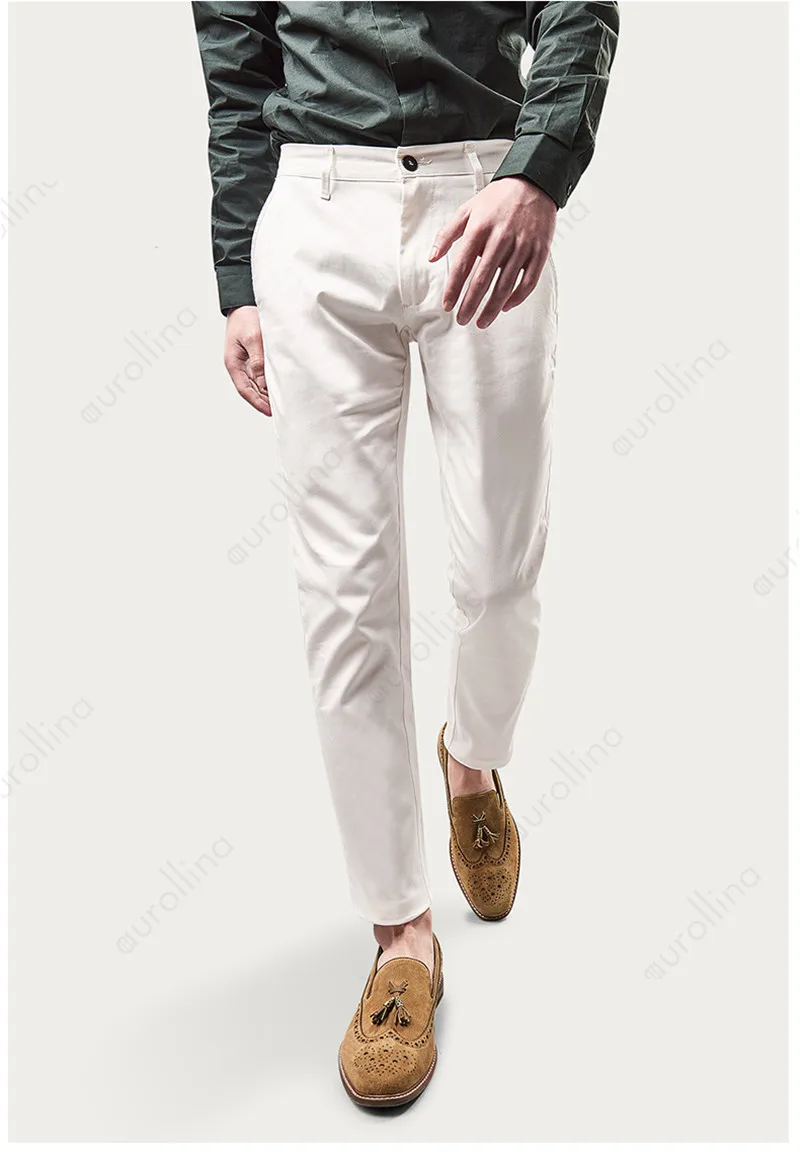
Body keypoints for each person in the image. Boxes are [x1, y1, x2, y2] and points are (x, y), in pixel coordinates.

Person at [193, 0, 619, 1108]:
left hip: (484, 193)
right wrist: (238, 278)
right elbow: (236, 67)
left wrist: (538, 171)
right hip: (314, 212)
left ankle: (472, 759)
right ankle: (399, 935)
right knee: (344, 597)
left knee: (498, 567)